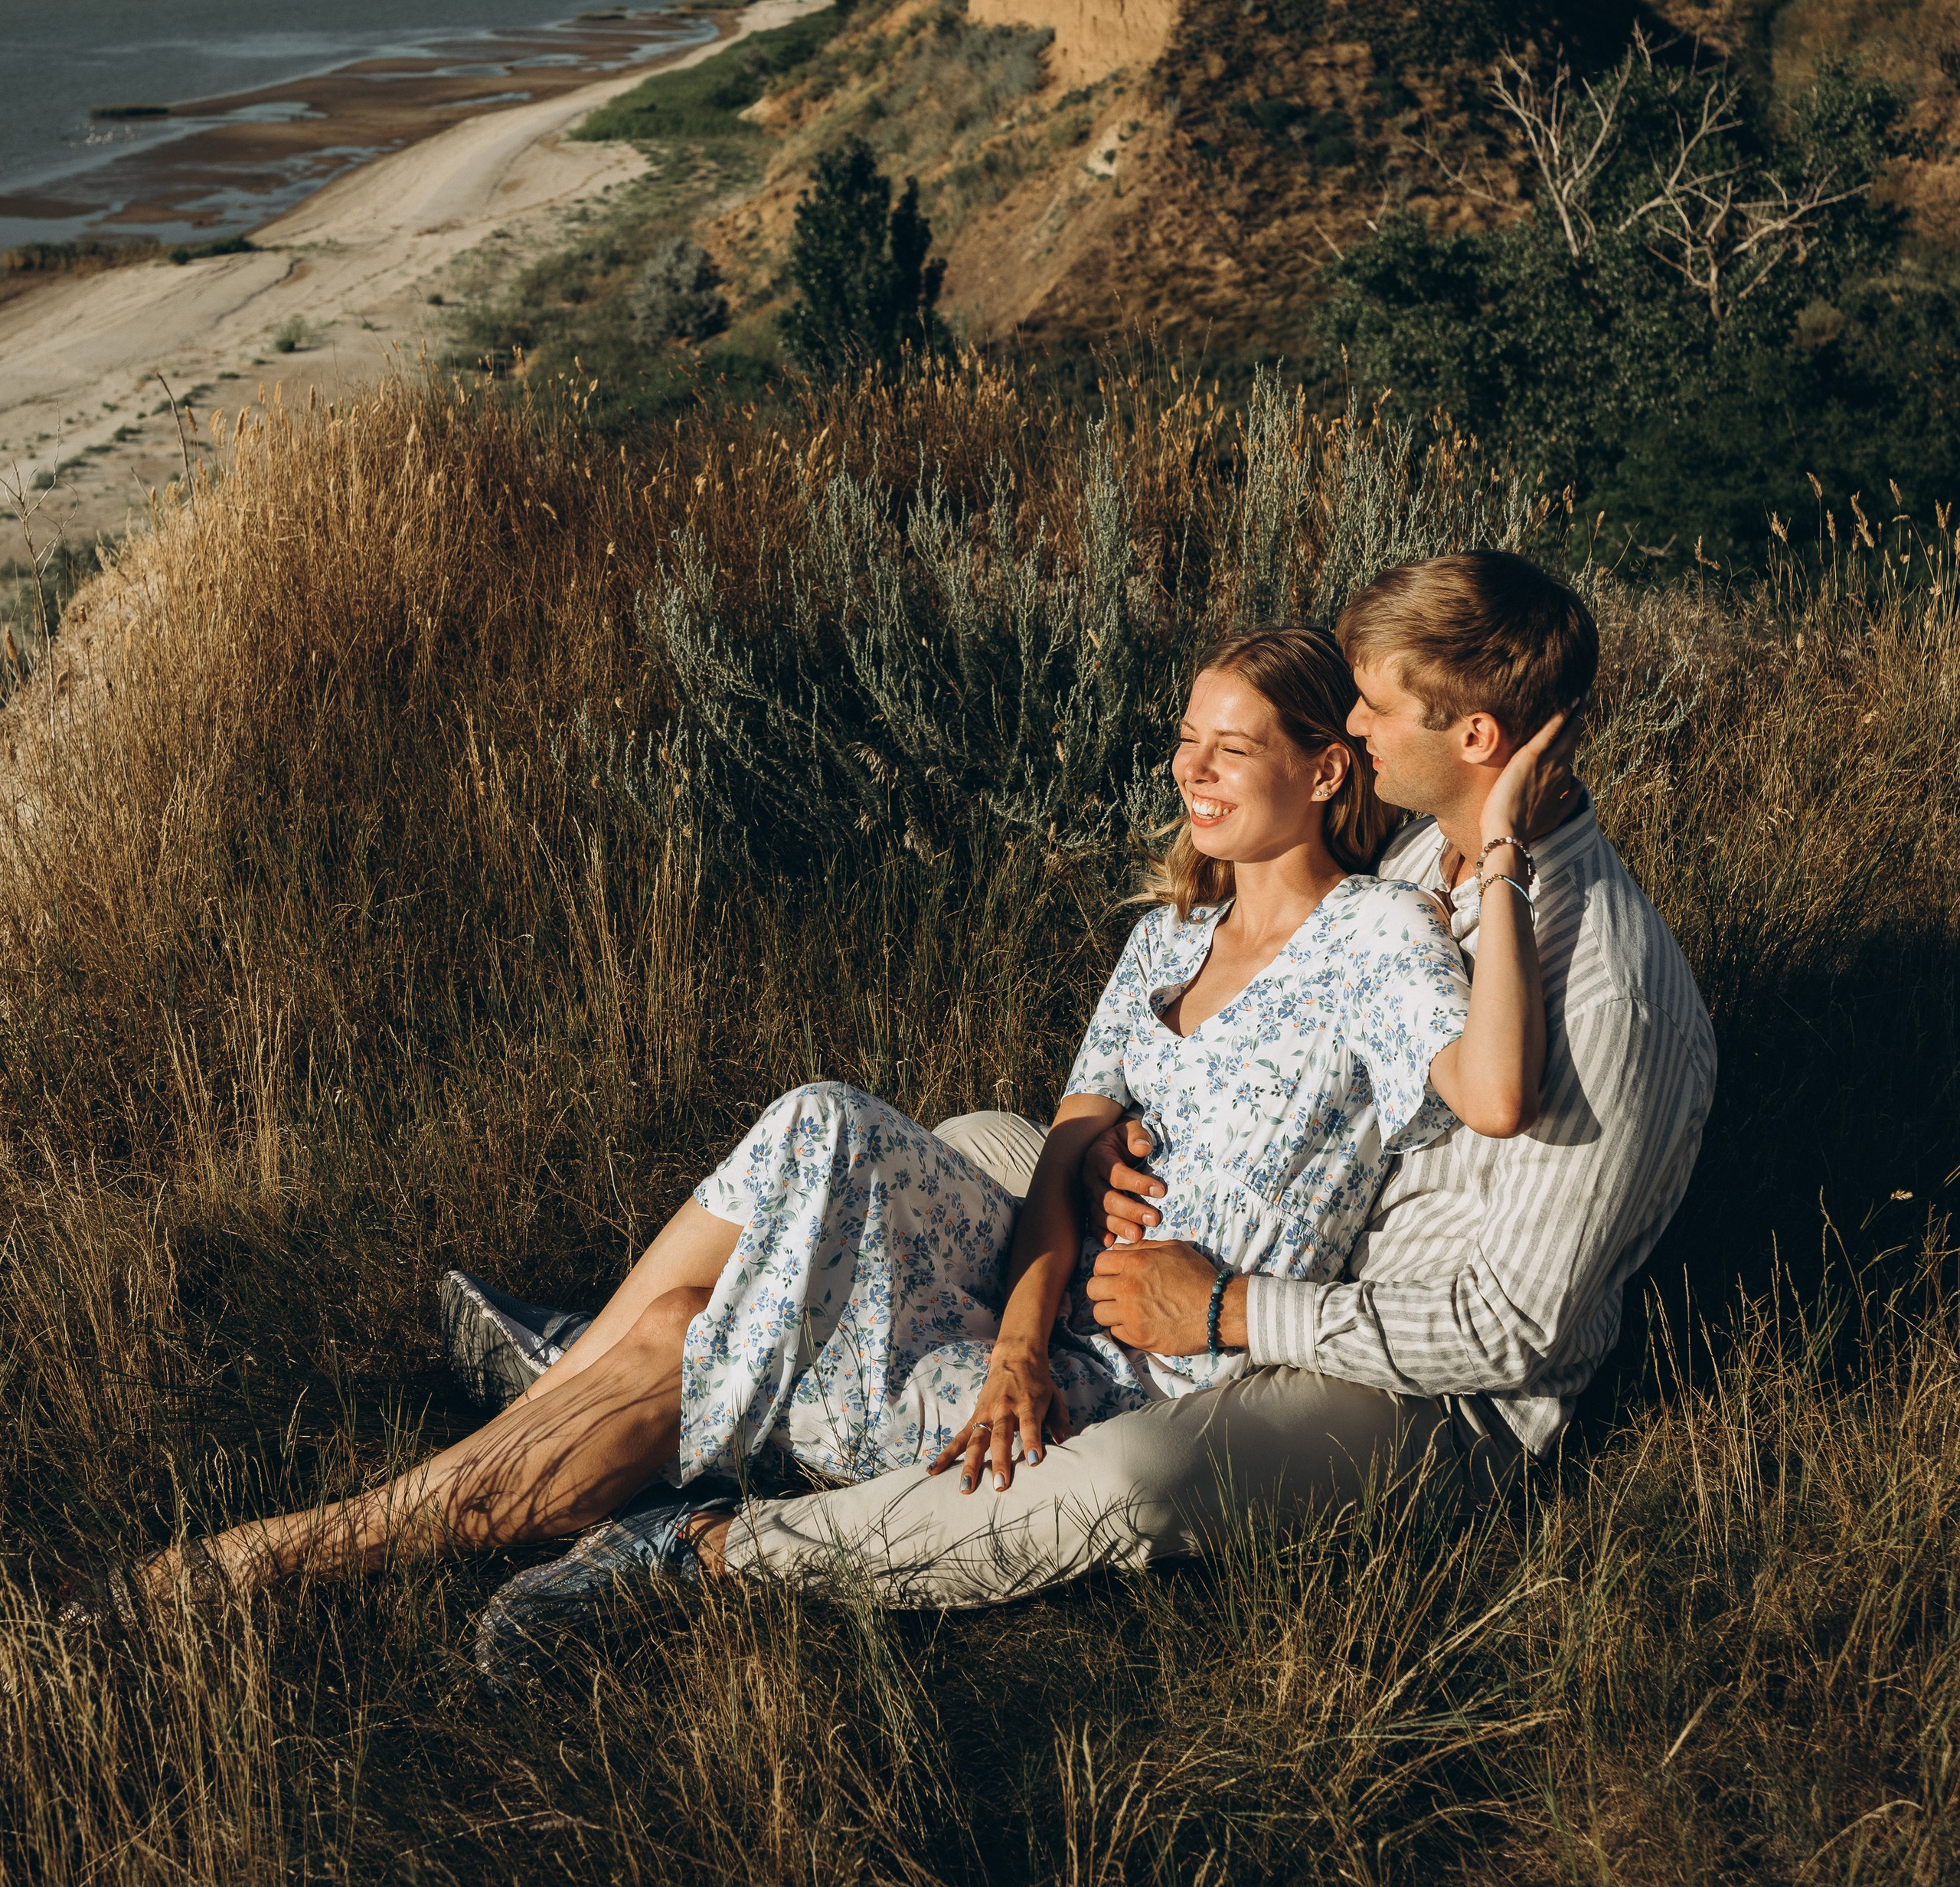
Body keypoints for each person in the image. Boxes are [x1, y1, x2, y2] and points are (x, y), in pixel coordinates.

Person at [97, 616, 1558, 1686]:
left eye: (1234, 746)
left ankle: (287, 1557)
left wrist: (1492, 847)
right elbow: (1063, 1159)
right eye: (1185, 735)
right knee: (818, 1120)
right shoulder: (1166, 935)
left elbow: (1492, 1092)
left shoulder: (1376, 939)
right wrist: (1015, 1340)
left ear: (1325, 768)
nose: (1192, 765)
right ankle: (516, 1434)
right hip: (1021, 1345)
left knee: (677, 1349)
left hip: (1137, 1387)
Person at [661, 548, 1717, 1604]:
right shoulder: (1418, 857)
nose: (1351, 725)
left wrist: (1228, 1308)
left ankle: (725, 1550)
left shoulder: (1605, 994)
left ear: (1477, 738)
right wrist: (1115, 1147)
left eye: (1376, 709)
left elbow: (1508, 1331)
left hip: (1415, 1383)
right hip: (1293, 1246)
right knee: (988, 1136)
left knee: (1128, 1480)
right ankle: (748, 1364)